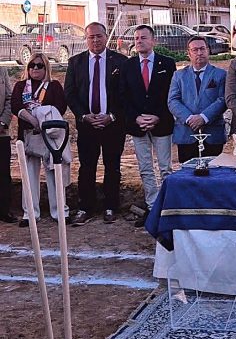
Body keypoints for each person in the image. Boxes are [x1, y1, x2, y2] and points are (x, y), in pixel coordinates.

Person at [64, 22, 127, 226]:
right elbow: (70, 93)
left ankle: (111, 207)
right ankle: (85, 208)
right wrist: (84, 116)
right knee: (87, 167)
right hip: (87, 125)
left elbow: (125, 93)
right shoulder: (75, 62)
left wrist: (112, 116)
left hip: (113, 125)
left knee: (112, 166)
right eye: (91, 37)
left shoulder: (120, 61)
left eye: (99, 36)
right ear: (86, 39)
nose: (96, 40)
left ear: (106, 37)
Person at [119, 24, 177, 227]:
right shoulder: (127, 65)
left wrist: (158, 116)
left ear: (153, 41)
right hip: (138, 126)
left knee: (165, 168)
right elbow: (123, 97)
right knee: (145, 168)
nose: (139, 41)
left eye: (143, 37)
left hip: (161, 124)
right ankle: (153, 207)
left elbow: (172, 94)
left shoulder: (167, 63)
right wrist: (136, 118)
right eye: (136, 38)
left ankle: (167, 207)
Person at [11, 54, 71, 227]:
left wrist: (42, 115)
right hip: (28, 134)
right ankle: (30, 213)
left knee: (54, 173)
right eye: (32, 65)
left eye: (39, 65)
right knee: (29, 175)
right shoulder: (21, 86)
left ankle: (59, 211)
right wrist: (32, 119)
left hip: (49, 136)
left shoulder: (54, 85)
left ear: (46, 68)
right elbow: (16, 106)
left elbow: (60, 107)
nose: (35, 68)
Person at [168, 36, 227, 163]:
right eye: (195, 50)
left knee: (213, 172)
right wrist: (189, 118)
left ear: (208, 50)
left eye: (202, 49)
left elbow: (223, 99)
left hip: (212, 134)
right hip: (186, 134)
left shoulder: (221, 74)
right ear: (189, 53)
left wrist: (204, 117)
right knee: (188, 172)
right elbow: (173, 101)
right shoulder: (178, 76)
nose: (199, 53)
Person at [0, 66, 13, 223]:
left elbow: (10, 99)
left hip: (1, 132)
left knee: (3, 173)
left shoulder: (2, 72)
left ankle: (4, 210)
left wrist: (3, 122)